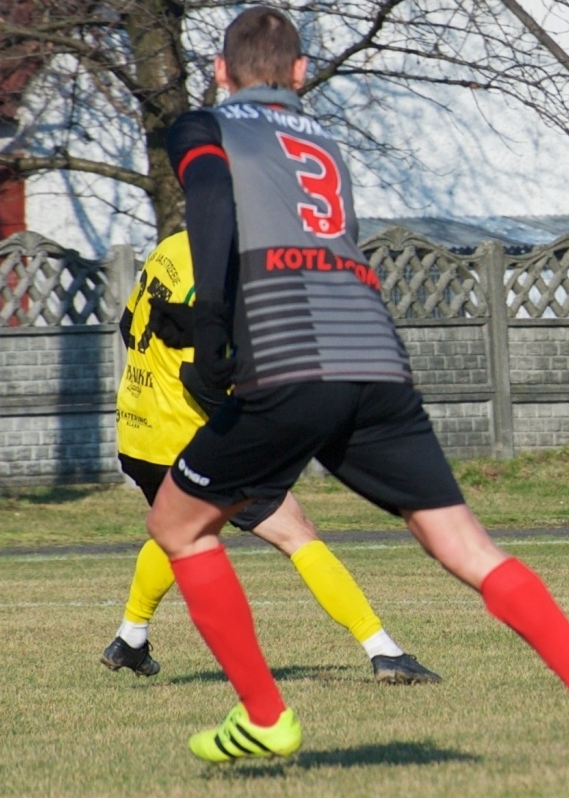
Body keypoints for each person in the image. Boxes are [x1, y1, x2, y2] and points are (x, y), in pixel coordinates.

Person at [146, 6, 569, 766]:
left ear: (220, 69)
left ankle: (266, 716)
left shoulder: (203, 125)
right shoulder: (325, 143)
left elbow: (213, 205)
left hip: (291, 364)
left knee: (179, 527)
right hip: (376, 359)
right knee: (464, 544)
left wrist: (210, 320)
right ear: (301, 74)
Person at [103, 229, 439, 685]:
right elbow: (201, 379)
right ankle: (384, 651)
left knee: (180, 529)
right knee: (296, 532)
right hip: (189, 436)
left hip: (140, 430)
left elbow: (128, 326)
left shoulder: (173, 247)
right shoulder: (223, 274)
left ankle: (130, 638)